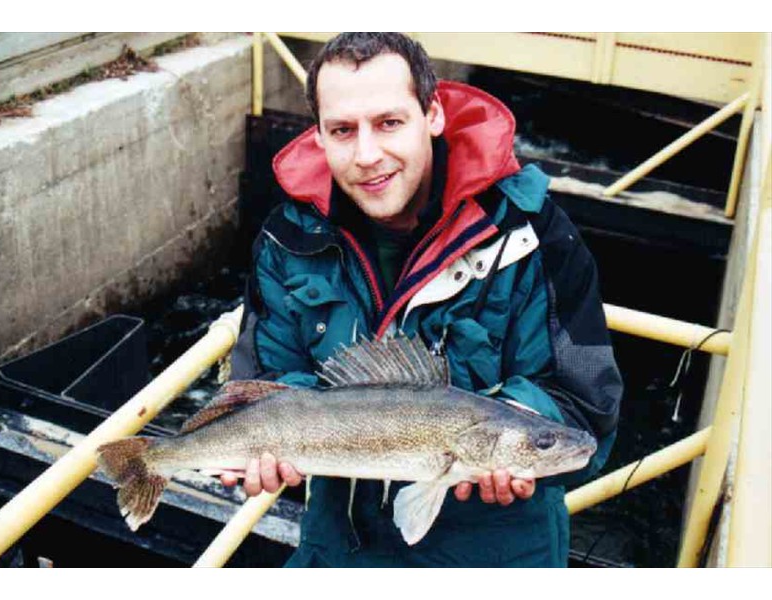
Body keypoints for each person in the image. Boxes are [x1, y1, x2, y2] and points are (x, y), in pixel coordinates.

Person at [223, 32, 622, 567]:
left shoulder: (536, 235)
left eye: (389, 123)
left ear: (432, 114)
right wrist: (264, 445)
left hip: (497, 556)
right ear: (317, 135)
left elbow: (587, 407)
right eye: (343, 129)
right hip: (340, 551)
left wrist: (513, 442)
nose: (368, 155)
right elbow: (264, 379)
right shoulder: (286, 238)